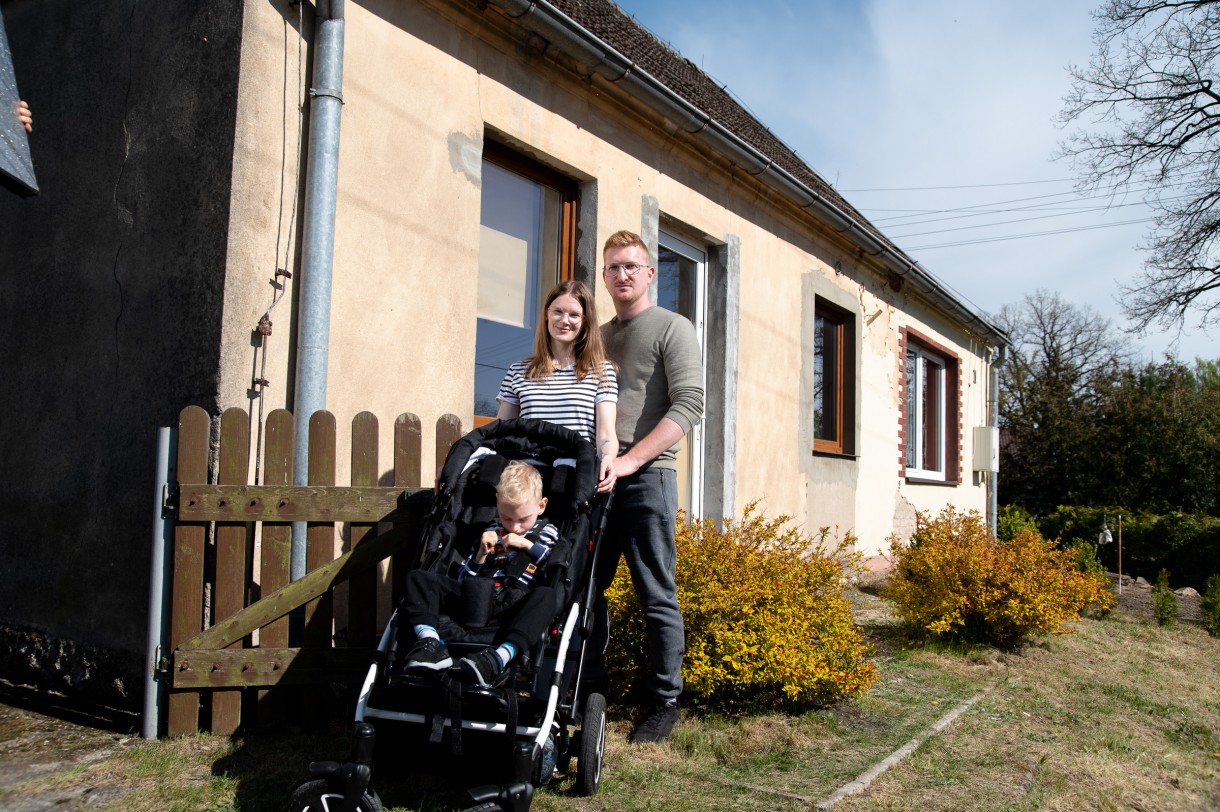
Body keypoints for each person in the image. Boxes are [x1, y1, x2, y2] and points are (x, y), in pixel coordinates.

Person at [594, 229, 704, 744]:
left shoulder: (672, 328)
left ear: (649, 273)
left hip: (649, 478)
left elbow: (689, 406)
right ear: (604, 274)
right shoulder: (597, 334)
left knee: (656, 594)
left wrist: (631, 461)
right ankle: (586, 686)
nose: (622, 275)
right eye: (613, 267)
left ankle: (663, 703)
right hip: (598, 481)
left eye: (631, 266)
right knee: (583, 589)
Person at [392, 461, 561, 687]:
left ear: (541, 506)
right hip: (477, 599)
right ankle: (430, 642)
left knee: (548, 596)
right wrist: (480, 555)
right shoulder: (490, 530)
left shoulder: (546, 532)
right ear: (497, 506)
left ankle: (499, 657)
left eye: (522, 519)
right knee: (419, 578)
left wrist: (527, 545)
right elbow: (464, 579)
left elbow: (554, 566)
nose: (515, 527)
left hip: (515, 603)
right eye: (507, 518)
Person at [495, 280, 619, 491]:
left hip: (572, 481)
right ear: (547, 314)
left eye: (573, 315)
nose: (564, 320)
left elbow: (605, 433)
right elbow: (499, 433)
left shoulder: (601, 371)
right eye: (558, 312)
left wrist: (608, 459)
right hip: (524, 484)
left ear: (585, 321)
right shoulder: (518, 371)